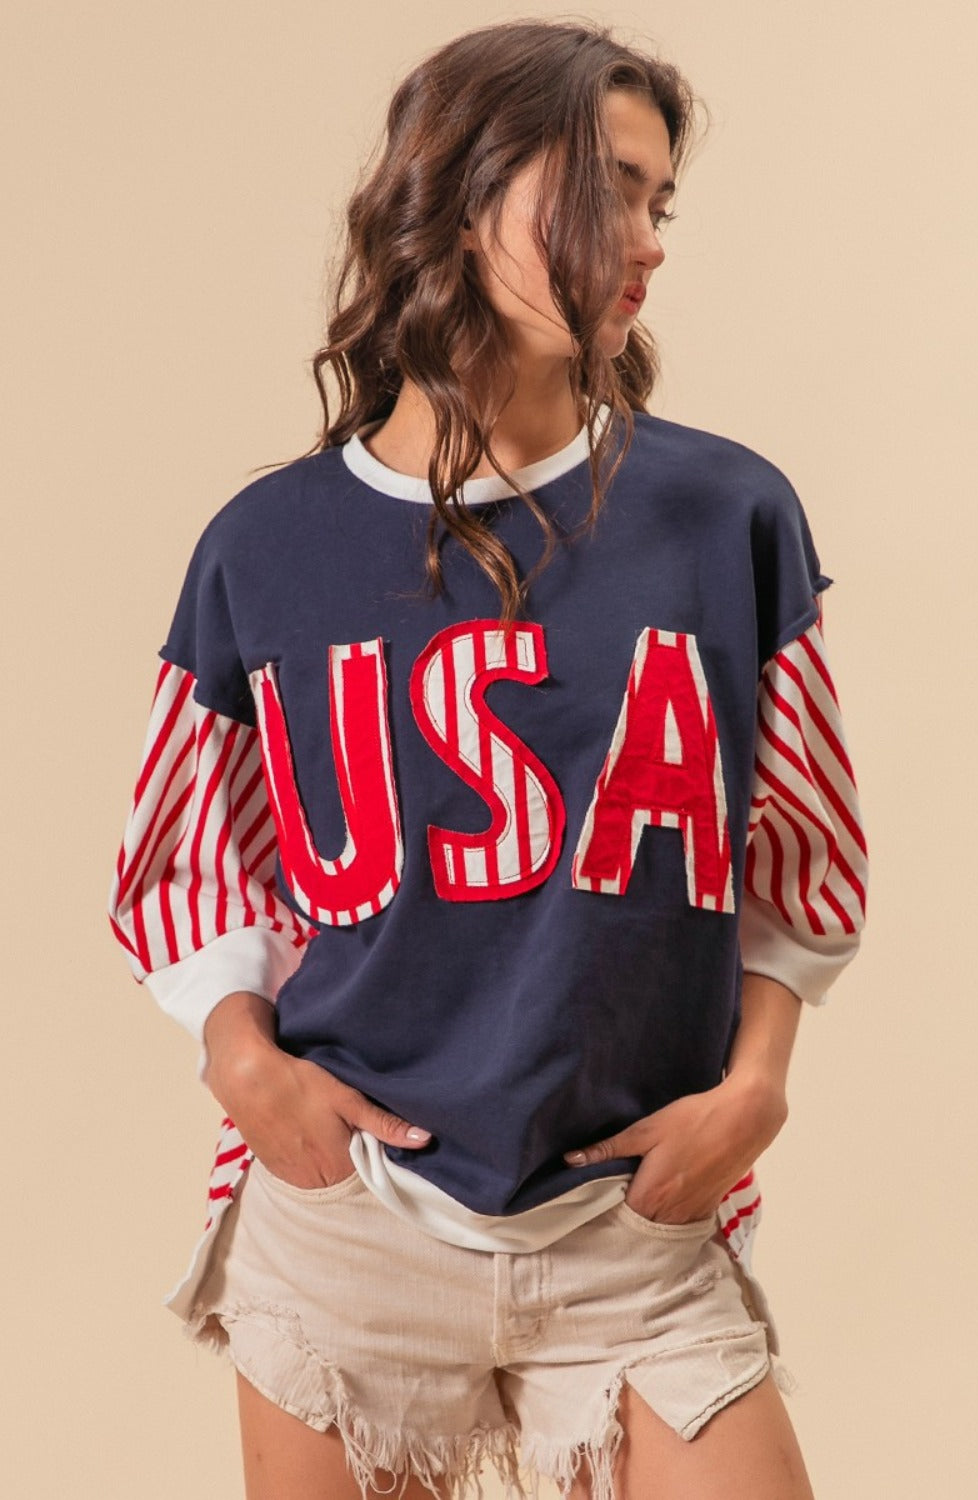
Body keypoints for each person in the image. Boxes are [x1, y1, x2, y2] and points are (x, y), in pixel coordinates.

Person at [108, 18, 867, 1500]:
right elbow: (181, 853)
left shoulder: (728, 516)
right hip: (350, 1224)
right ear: (465, 193)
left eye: (661, 204)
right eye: (613, 191)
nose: (645, 240)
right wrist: (238, 1055)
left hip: (631, 1225)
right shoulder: (268, 549)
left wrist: (759, 1081)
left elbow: (806, 838)